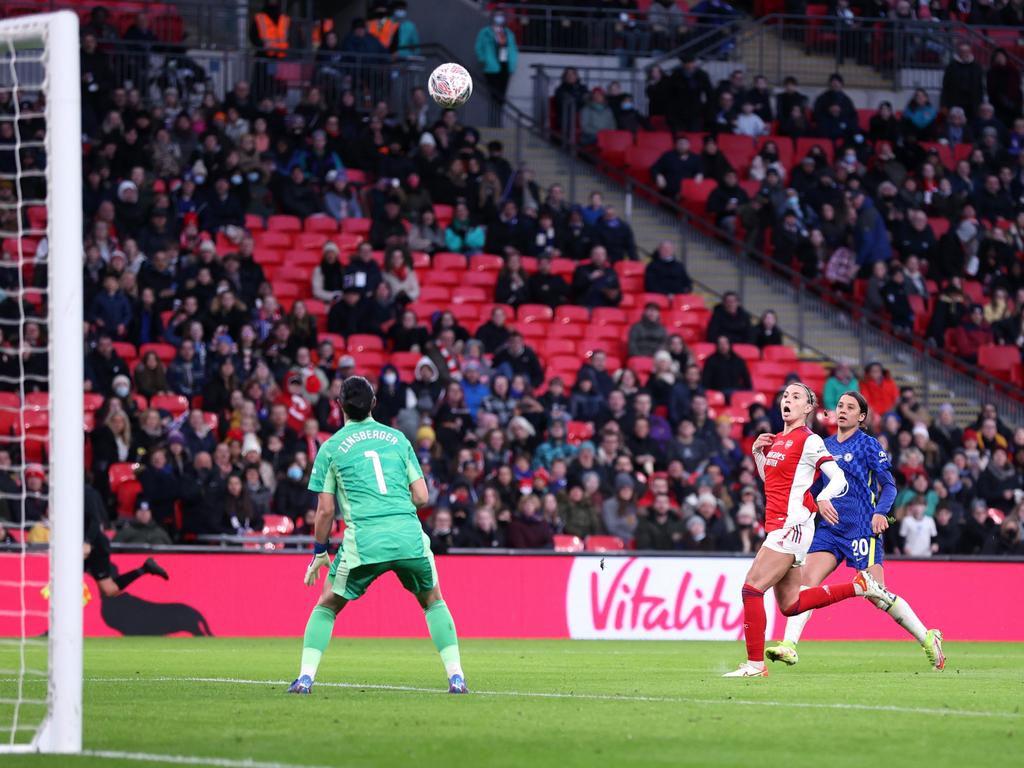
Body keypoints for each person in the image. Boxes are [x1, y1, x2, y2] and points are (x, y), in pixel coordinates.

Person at [288, 376, 467, 695]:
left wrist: (319, 551)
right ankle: (456, 677)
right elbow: (423, 496)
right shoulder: (398, 439)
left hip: (364, 541)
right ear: (374, 404)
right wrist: (394, 508)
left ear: (339, 405)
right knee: (433, 601)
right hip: (407, 535)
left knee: (327, 605)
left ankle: (305, 678)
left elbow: (326, 510)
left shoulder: (330, 448)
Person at [765, 392, 945, 671]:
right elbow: (811, 489)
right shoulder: (822, 446)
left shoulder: (869, 446)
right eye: (839, 406)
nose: (843, 411)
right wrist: (811, 506)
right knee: (806, 585)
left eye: (850, 407)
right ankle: (789, 645)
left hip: (862, 529)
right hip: (829, 529)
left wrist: (880, 513)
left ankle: (927, 637)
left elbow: (890, 486)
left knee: (876, 593)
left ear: (862, 417)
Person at [724, 383, 886, 678]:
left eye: (796, 397)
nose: (788, 400)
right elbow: (771, 482)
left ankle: (755, 665)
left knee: (751, 589)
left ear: (808, 408)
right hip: (780, 524)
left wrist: (823, 497)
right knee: (791, 604)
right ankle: (858, 587)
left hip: (792, 525)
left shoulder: (809, 441)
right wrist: (758, 454)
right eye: (785, 395)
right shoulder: (776, 440)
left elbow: (838, 478)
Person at [475, 10, 517, 114]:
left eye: (501, 16)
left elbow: (513, 49)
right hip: (492, 65)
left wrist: (513, 64)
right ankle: (493, 117)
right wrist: (483, 59)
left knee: (502, 93)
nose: (499, 18)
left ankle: (498, 117)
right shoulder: (485, 32)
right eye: (497, 15)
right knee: (494, 93)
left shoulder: (508, 32)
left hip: (505, 65)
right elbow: (478, 46)